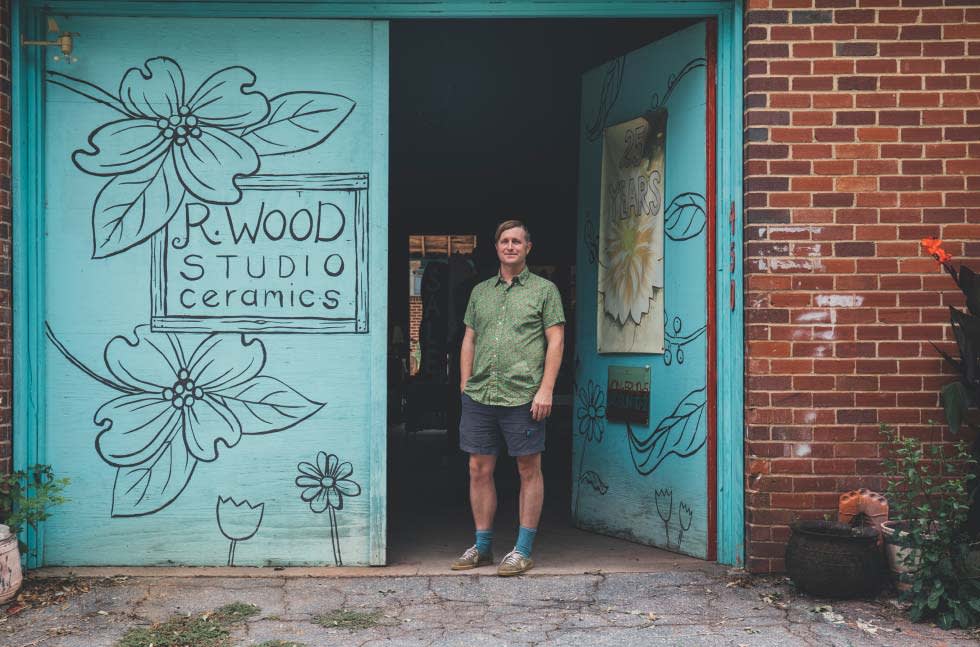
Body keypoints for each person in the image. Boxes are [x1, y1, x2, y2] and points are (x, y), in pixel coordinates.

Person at [451, 219, 565, 576]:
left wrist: (546, 389)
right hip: (481, 394)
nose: (511, 246)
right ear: (496, 247)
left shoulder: (545, 291)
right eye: (505, 241)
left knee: (527, 468)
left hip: (523, 396)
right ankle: (482, 547)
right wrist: (465, 384)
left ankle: (523, 549)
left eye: (517, 241)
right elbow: (469, 338)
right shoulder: (480, 292)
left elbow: (556, 340)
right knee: (478, 468)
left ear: (528, 248)